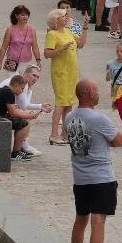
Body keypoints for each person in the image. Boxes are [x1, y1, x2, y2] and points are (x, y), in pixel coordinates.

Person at [65, 79, 122, 243]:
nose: (99, 93)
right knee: (98, 221)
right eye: (97, 90)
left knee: (81, 217)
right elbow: (119, 141)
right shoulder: (99, 119)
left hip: (80, 177)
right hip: (101, 178)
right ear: (88, 93)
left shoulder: (70, 116)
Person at [0, 74, 43, 161]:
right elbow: (14, 113)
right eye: (22, 88)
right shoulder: (9, 93)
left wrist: (25, 113)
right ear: (16, 86)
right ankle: (16, 153)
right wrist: (30, 115)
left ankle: (18, 150)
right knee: (24, 123)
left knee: (22, 119)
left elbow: (11, 110)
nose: (22, 91)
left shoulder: (5, 90)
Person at [45, 9, 87, 144]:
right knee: (61, 102)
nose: (66, 17)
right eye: (63, 16)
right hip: (60, 73)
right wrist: (62, 48)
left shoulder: (68, 32)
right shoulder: (52, 34)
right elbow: (47, 53)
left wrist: (85, 26)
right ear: (56, 20)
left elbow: (80, 43)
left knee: (69, 103)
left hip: (71, 72)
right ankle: (53, 134)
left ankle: (65, 134)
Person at [0, 65, 52, 156]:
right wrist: (39, 108)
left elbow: (24, 105)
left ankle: (22, 145)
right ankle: (19, 149)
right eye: (33, 75)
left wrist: (41, 106)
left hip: (0, 111)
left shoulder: (24, 84)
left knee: (27, 115)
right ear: (25, 74)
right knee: (26, 118)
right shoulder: (23, 85)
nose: (35, 79)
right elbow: (24, 107)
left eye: (37, 77)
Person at [0, 5, 42, 75]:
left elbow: (35, 47)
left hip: (26, 62)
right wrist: (0, 63)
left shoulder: (32, 30)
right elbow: (4, 47)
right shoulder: (10, 29)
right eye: (22, 15)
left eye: (27, 15)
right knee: (14, 84)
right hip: (11, 61)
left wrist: (38, 61)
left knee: (24, 84)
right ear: (16, 16)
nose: (25, 17)